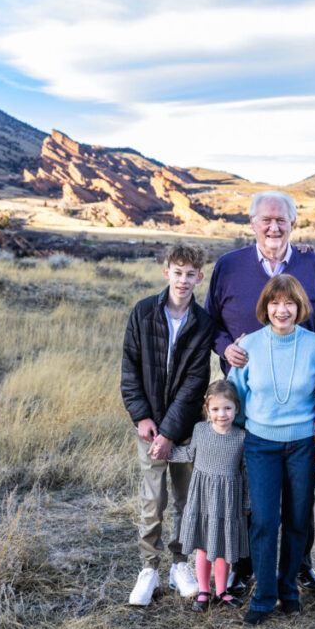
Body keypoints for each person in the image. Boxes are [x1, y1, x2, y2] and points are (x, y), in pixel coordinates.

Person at [205, 190, 315, 595]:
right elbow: (209, 323)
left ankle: (299, 567)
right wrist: (225, 346)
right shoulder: (228, 267)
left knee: (299, 499)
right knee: (250, 491)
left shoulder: (310, 263)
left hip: (300, 403)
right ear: (252, 224)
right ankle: (246, 566)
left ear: (293, 223)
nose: (274, 227)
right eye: (266, 220)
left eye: (282, 220)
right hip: (246, 397)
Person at [226, 275, 315, 625]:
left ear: (299, 307)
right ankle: (264, 594)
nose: (281, 310)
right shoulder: (249, 346)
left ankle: (289, 590)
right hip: (261, 444)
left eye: (289, 303)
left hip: (303, 445)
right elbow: (235, 393)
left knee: (298, 519)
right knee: (265, 520)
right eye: (274, 303)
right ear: (265, 307)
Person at [122, 242, 214, 606]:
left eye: (191, 274)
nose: (183, 280)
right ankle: (148, 569)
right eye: (177, 272)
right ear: (166, 272)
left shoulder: (203, 322)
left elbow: (195, 384)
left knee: (185, 498)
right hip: (148, 426)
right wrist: (142, 417)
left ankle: (179, 564)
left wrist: (170, 433)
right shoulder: (143, 312)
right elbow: (130, 369)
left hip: (185, 429)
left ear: (199, 277)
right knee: (153, 499)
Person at [160, 380, 249, 612]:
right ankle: (203, 590)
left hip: (228, 500)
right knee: (203, 546)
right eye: (216, 409)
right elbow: (189, 453)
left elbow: (245, 471)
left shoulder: (241, 437)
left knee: (223, 547)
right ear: (207, 410)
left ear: (236, 409)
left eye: (227, 408)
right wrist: (165, 453)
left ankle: (221, 591)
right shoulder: (200, 430)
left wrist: (246, 502)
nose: (222, 414)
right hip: (203, 498)